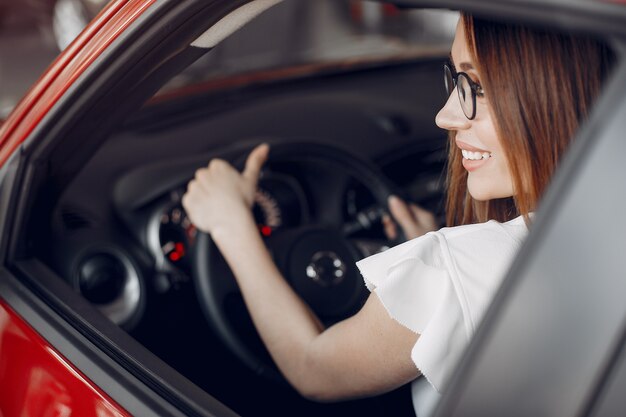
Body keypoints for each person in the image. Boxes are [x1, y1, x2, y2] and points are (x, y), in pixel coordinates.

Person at [182, 13, 615, 416]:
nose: (445, 116)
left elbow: (315, 371)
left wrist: (231, 225)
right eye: (456, 79)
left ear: (560, 96)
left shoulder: (459, 270)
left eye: (478, 89)